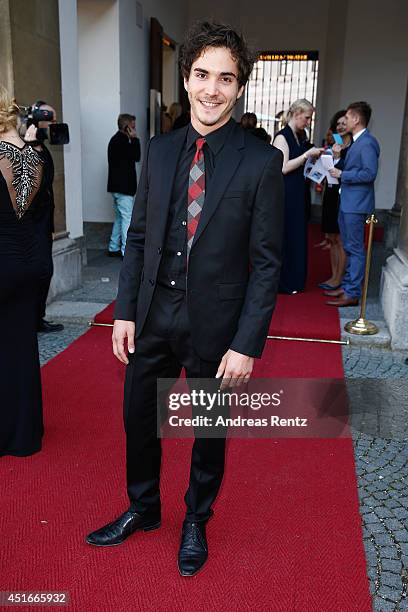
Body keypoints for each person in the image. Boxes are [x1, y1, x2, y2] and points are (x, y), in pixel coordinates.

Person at [86, 21, 284, 577]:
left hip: (217, 325)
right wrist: (124, 310)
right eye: (201, 75)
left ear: (239, 86)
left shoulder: (261, 161)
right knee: (138, 419)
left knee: (208, 429)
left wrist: (247, 344)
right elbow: (141, 238)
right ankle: (143, 508)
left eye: (225, 78)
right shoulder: (161, 148)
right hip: (152, 314)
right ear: (187, 78)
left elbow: (268, 263)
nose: (211, 89)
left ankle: (196, 517)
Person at [0, 86, 45, 456]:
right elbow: (32, 211)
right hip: (29, 261)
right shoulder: (34, 154)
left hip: (2, 261)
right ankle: (25, 433)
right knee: (21, 345)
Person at [326, 101, 380, 307]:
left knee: (355, 249)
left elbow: (369, 173)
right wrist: (338, 158)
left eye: (347, 118)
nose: (344, 122)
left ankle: (352, 292)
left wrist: (343, 174)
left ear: (356, 119)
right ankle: (347, 286)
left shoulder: (368, 142)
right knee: (349, 247)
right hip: (348, 201)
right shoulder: (357, 141)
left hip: (356, 204)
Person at [273, 99, 324, 293]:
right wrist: (306, 155)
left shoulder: (298, 135)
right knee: (287, 235)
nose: (309, 122)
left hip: (298, 191)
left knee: (297, 235)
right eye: (307, 117)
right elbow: (283, 167)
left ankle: (294, 280)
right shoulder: (282, 137)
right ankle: (285, 281)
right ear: (296, 114)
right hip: (286, 193)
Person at [24, 101, 64, 333]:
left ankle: (37, 317)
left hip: (43, 222)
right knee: (39, 270)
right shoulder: (27, 147)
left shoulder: (41, 146)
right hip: (30, 224)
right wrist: (30, 146)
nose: (55, 125)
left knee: (44, 270)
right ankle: (31, 319)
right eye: (52, 120)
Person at [318, 110, 351, 291]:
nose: (340, 126)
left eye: (343, 123)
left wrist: (337, 157)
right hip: (330, 193)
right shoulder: (336, 143)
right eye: (337, 124)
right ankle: (333, 276)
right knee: (331, 238)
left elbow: (346, 170)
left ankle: (339, 278)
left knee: (340, 239)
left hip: (343, 195)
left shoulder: (352, 147)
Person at [107, 113, 141, 257]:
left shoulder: (115, 140)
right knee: (127, 218)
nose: (135, 129)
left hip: (116, 187)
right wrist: (135, 139)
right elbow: (136, 156)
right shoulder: (122, 142)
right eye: (133, 126)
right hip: (124, 188)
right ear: (127, 127)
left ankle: (113, 247)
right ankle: (126, 251)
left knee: (120, 218)